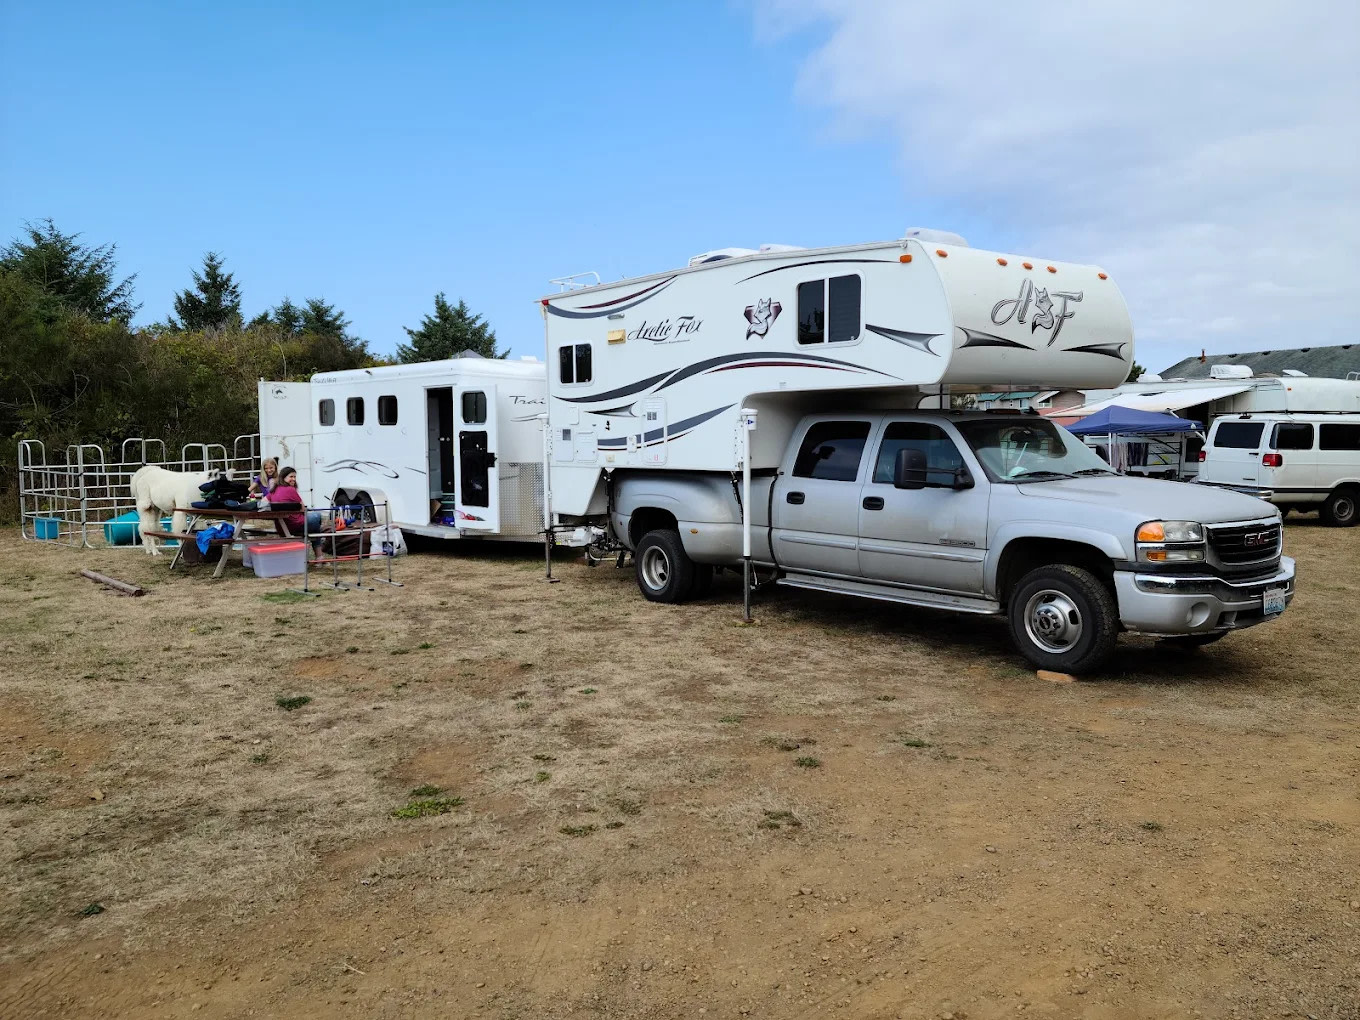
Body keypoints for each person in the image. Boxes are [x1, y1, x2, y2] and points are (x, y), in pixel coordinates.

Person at [270, 467, 323, 536]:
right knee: (317, 515)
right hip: (294, 525)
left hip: (280, 527)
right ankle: (317, 544)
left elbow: (263, 501)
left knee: (315, 524)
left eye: (295, 477)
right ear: (283, 477)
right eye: (291, 477)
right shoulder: (290, 489)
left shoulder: (274, 490)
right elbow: (303, 509)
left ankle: (317, 543)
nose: (294, 479)